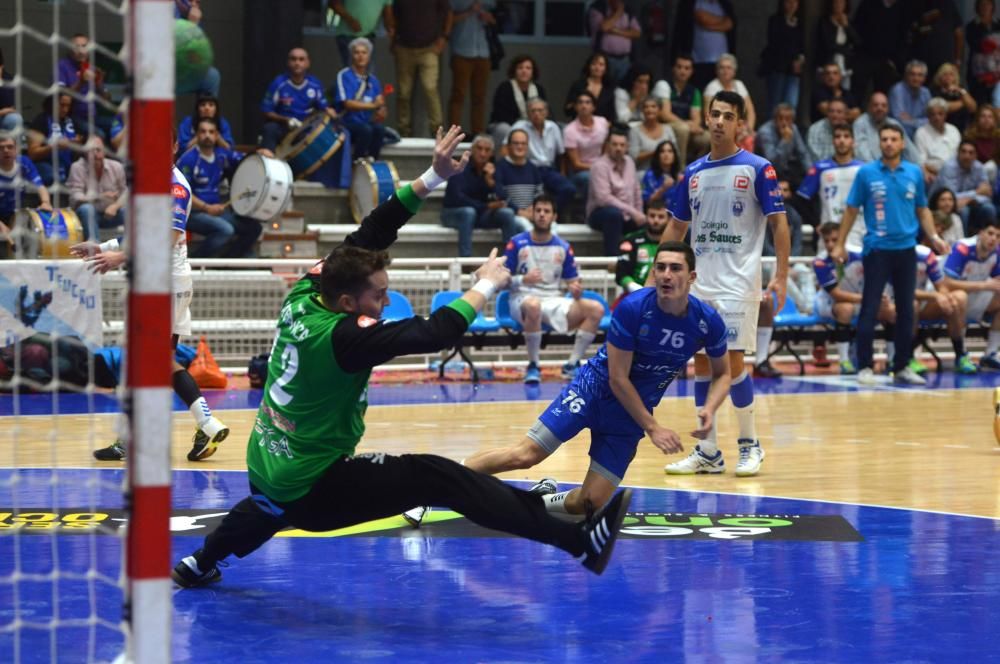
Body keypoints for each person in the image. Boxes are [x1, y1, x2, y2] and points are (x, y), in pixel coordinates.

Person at [171, 126, 633, 587]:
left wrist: (432, 176)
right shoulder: (345, 337)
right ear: (350, 304)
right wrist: (488, 281)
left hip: (267, 463)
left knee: (268, 507)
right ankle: (577, 542)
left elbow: (373, 230)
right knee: (437, 477)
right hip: (315, 485)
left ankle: (199, 563)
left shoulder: (312, 287)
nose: (384, 301)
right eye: (378, 296)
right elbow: (438, 332)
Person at [455, 240, 730, 520]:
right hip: (593, 390)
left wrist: (709, 408)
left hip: (629, 415)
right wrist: (653, 428)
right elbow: (618, 379)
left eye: (675, 268)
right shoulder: (633, 309)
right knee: (526, 455)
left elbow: (723, 373)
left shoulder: (707, 322)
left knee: (589, 504)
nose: (666, 275)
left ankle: (537, 502)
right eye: (660, 267)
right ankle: (437, 480)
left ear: (692, 277)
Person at [73, 135, 229, 461]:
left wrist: (121, 258)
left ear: (172, 147)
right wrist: (103, 248)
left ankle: (134, 438)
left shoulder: (176, 187)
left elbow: (167, 241)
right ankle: (205, 422)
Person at [662, 90, 791, 478]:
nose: (719, 121)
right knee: (700, 363)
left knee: (731, 363)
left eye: (727, 116)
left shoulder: (758, 168)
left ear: (740, 124)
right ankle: (708, 452)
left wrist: (780, 276)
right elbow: (676, 226)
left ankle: (750, 445)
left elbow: (779, 224)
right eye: (714, 114)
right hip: (699, 286)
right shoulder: (694, 173)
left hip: (739, 284)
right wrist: (659, 269)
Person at [832, 124, 949, 386]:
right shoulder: (866, 173)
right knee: (870, 307)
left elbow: (922, 209)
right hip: (877, 250)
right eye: (884, 139)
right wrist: (840, 244)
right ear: (879, 143)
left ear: (902, 144)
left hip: (906, 250)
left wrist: (935, 237)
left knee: (906, 310)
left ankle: (903, 365)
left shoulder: (914, 173)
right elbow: (851, 210)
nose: (888, 143)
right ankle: (864, 366)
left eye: (893, 139)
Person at [503, 194, 605, 383]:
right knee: (534, 305)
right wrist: (522, 279)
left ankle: (572, 364)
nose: (542, 215)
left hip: (553, 299)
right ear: (532, 214)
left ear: (554, 216)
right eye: (538, 211)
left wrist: (576, 290)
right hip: (522, 299)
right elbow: (501, 280)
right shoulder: (516, 242)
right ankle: (533, 365)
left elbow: (573, 281)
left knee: (596, 309)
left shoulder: (563, 247)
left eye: (547, 211)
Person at [813, 222, 894, 374]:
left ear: (843, 239)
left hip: (859, 298)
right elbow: (836, 294)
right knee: (845, 308)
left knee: (889, 311)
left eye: (835, 240)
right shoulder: (820, 261)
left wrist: (879, 296)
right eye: (827, 241)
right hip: (828, 303)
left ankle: (892, 359)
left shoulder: (862, 255)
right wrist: (868, 298)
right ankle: (844, 361)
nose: (830, 245)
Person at [176, 118, 262, 258]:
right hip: (192, 213)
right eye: (203, 132)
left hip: (216, 211)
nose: (207, 135)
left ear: (217, 136)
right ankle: (195, 262)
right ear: (197, 135)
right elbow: (181, 193)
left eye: (211, 132)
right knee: (225, 230)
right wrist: (206, 207)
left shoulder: (222, 155)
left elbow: (245, 159)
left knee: (253, 228)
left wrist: (260, 153)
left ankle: (229, 261)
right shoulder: (188, 159)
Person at [441, 134, 529, 257]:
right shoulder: (460, 166)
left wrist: (491, 183)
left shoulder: (492, 169)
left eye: (487, 150)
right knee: (468, 212)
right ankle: (465, 261)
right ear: (472, 150)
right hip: (453, 214)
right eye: (479, 148)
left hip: (481, 214)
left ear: (491, 154)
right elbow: (457, 198)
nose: (482, 153)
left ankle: (510, 260)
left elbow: (503, 198)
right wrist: (486, 206)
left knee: (507, 214)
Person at [797, 122, 867, 249]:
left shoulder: (863, 169)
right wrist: (815, 223)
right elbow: (802, 199)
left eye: (846, 136)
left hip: (859, 230)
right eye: (838, 136)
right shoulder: (820, 168)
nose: (842, 140)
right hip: (828, 232)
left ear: (853, 141)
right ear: (833, 141)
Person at [942, 220, 1000, 370]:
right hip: (947, 298)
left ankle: (991, 353)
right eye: (990, 233)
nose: (993, 239)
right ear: (980, 233)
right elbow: (947, 283)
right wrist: (983, 285)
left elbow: (996, 279)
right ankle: (962, 354)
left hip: (975, 295)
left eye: (998, 236)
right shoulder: (963, 248)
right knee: (961, 297)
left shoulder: (997, 252)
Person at [390, 0, 451, 138]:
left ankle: (437, 130)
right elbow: (391, 15)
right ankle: (403, 131)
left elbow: (448, 13)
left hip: (429, 48)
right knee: (403, 92)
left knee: (430, 88)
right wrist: (392, 40)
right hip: (404, 47)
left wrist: (444, 37)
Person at [912, 242, 975, 375]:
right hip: (892, 301)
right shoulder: (891, 254)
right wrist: (936, 296)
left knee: (958, 298)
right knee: (912, 304)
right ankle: (907, 357)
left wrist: (946, 297)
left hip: (924, 302)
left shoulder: (925, 254)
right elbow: (903, 291)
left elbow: (941, 285)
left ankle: (960, 355)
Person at [259, 48, 337, 153]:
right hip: (284, 126)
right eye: (293, 59)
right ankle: (268, 163)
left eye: (301, 59)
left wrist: (329, 111)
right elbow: (266, 111)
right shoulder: (278, 83)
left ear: (308, 63)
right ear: (288, 62)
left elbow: (323, 108)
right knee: (270, 128)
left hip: (306, 128)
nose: (297, 63)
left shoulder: (315, 84)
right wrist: (286, 120)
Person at [586, 124, 645, 256]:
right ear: (608, 145)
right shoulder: (599, 166)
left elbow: (636, 190)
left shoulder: (630, 162)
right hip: (600, 213)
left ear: (627, 147)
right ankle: (612, 259)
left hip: (627, 213)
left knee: (650, 219)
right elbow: (604, 199)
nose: (618, 148)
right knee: (613, 215)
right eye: (615, 144)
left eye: (622, 145)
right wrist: (632, 212)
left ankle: (639, 261)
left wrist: (639, 213)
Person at [511, 98, 576, 215]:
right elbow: (506, 149)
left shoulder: (553, 127)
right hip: (528, 169)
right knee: (528, 193)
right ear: (527, 113)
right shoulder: (519, 126)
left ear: (546, 112)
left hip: (549, 169)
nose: (537, 114)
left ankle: (550, 214)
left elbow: (561, 154)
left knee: (568, 189)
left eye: (540, 110)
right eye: (533, 111)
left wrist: (563, 173)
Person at [333, 38, 389, 160]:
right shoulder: (344, 75)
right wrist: (373, 106)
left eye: (364, 53)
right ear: (351, 55)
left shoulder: (373, 80)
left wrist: (381, 111)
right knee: (366, 130)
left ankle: (372, 161)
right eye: (357, 52)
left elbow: (380, 105)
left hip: (366, 123)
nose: (360, 56)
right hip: (347, 123)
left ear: (369, 56)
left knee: (379, 130)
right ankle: (356, 162)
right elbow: (347, 104)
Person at [448, 0, 496, 136]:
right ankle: (454, 133)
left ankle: (478, 132)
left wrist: (488, 18)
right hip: (462, 51)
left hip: (483, 52)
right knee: (458, 94)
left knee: (479, 96)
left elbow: (496, 22)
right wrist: (469, 11)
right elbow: (448, 20)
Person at [930, 140, 996, 235]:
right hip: (940, 204)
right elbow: (950, 197)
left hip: (969, 204)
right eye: (963, 152)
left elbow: (987, 194)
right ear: (957, 153)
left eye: (971, 153)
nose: (967, 156)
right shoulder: (949, 167)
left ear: (976, 156)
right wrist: (977, 192)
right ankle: (964, 243)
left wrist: (968, 199)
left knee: (989, 208)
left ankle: (988, 239)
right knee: (964, 210)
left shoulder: (979, 168)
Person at [67, 135, 126, 240]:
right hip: (86, 216)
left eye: (98, 149)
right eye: (91, 150)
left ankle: (126, 246)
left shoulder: (117, 166)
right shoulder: (77, 167)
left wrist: (115, 206)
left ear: (104, 151)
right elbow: (76, 197)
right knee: (87, 209)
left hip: (112, 214)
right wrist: (100, 196)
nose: (95, 154)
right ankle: (94, 248)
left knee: (128, 210)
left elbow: (126, 193)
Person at [56, 33, 111, 138]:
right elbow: (62, 97)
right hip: (72, 117)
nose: (81, 51)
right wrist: (81, 82)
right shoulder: (62, 66)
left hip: (93, 117)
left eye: (84, 46)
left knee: (121, 126)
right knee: (99, 134)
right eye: (77, 46)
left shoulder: (92, 68)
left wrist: (99, 84)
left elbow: (107, 100)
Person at [673, 0, 735, 92]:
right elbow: (702, 19)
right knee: (700, 91)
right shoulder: (693, 3)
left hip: (721, 62)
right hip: (699, 60)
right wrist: (722, 21)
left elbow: (730, 23)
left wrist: (710, 26)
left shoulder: (724, 4)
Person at [758, 0, 805, 116]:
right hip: (777, 67)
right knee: (775, 104)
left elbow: (802, 45)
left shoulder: (800, 22)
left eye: (795, 2)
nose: (792, 5)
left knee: (791, 103)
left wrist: (800, 59)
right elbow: (775, 43)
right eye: (789, 2)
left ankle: (787, 131)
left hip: (793, 71)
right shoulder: (775, 20)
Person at [488, 55, 546, 149]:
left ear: (533, 72)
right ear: (514, 71)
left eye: (528, 68)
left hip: (531, 124)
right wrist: (523, 125)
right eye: (520, 68)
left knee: (555, 127)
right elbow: (500, 115)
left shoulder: (539, 89)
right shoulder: (505, 87)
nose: (524, 71)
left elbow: (545, 111)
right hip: (504, 124)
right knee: (504, 129)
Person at [662, 53, 708, 167]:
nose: (683, 71)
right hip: (666, 126)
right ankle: (681, 170)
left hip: (687, 127)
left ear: (691, 71)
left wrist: (694, 126)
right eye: (679, 67)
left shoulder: (694, 91)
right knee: (683, 130)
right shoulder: (664, 85)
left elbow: (696, 117)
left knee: (707, 137)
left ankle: (697, 169)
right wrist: (686, 125)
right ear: (673, 68)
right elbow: (665, 114)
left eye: (687, 68)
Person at [615, 199, 669, 296]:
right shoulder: (630, 241)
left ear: (668, 219)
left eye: (661, 217)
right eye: (652, 216)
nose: (656, 220)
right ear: (646, 216)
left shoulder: (675, 243)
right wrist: (638, 290)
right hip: (635, 294)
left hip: (668, 294)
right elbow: (621, 274)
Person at [26, 92, 83, 186]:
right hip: (44, 163)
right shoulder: (41, 120)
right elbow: (33, 154)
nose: (65, 109)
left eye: (68, 106)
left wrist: (77, 146)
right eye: (61, 105)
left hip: (68, 163)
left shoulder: (73, 121)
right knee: (51, 176)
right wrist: (55, 146)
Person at [563, 91, 610, 201]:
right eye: (580, 103)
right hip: (581, 171)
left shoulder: (602, 122)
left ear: (593, 107)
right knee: (590, 178)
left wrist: (604, 165)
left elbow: (606, 147)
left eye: (588, 103)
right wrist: (598, 167)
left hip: (601, 165)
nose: (584, 106)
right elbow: (576, 164)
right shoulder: (570, 130)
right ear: (576, 107)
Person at [703, 54, 756, 149]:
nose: (725, 71)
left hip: (740, 126)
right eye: (722, 68)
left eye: (729, 68)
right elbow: (708, 115)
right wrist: (734, 130)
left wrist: (748, 129)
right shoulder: (711, 87)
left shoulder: (739, 85)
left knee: (750, 137)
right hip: (720, 127)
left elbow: (751, 111)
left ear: (734, 71)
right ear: (717, 71)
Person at [0, 135, 52, 232]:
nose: (6, 150)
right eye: (1, 148)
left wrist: (46, 202)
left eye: (10, 147)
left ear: (16, 149)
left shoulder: (24, 162)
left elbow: (40, 186)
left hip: (17, 214)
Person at [494, 128, 543, 230]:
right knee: (527, 227)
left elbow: (539, 193)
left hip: (531, 213)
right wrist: (519, 211)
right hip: (512, 215)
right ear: (508, 146)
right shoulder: (500, 167)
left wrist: (533, 209)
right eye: (516, 143)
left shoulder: (533, 168)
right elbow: (500, 194)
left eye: (523, 143)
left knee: (552, 227)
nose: (520, 146)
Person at [852, 91, 920, 163]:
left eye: (884, 105)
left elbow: (909, 149)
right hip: (871, 169)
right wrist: (879, 169)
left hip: (894, 167)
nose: (880, 108)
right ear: (869, 107)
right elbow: (862, 153)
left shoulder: (894, 123)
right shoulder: (861, 123)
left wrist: (920, 166)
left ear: (888, 109)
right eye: (876, 105)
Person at [756, 103, 811, 188]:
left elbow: (803, 154)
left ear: (792, 121)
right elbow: (773, 164)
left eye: (788, 119)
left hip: (789, 171)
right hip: (768, 173)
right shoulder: (765, 132)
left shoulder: (793, 128)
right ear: (774, 119)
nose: (784, 122)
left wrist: (811, 173)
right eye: (780, 118)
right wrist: (785, 141)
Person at [587, 0, 641, 85]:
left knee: (623, 86)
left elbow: (637, 33)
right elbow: (604, 27)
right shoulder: (598, 8)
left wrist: (615, 31)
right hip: (605, 58)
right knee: (605, 85)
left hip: (624, 60)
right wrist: (618, 13)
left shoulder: (628, 11)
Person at [330, 0, 394, 70]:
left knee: (369, 71)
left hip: (369, 36)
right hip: (347, 36)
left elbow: (388, 17)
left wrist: (393, 38)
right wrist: (350, 20)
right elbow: (334, 4)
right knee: (351, 71)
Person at [815, 0, 860, 94]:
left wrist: (846, 26)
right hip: (827, 62)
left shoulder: (849, 22)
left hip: (844, 65)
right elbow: (828, 44)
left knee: (843, 92)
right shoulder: (825, 21)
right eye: (836, 3)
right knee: (825, 92)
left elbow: (857, 42)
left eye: (841, 3)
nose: (838, 5)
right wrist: (846, 50)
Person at [915, 97, 962, 184]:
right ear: (928, 116)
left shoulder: (954, 130)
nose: (937, 117)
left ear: (945, 115)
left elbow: (960, 155)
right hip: (934, 175)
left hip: (957, 174)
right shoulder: (921, 132)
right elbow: (921, 161)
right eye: (933, 114)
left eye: (940, 114)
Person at [563, 53, 616, 122]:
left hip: (601, 127)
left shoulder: (609, 88)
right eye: (594, 64)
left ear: (606, 68)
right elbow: (567, 110)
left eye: (601, 65)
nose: (597, 68)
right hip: (578, 125)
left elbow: (611, 116)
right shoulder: (579, 85)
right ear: (588, 66)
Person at [965, 0, 1000, 105]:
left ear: (992, 7)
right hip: (978, 73)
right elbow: (978, 45)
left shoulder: (998, 24)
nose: (985, 7)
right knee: (980, 103)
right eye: (982, 5)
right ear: (977, 8)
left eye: (988, 4)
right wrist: (994, 45)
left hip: (997, 71)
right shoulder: (971, 26)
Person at [629, 98, 677, 171]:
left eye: (653, 106)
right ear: (642, 110)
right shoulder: (635, 131)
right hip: (643, 172)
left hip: (666, 172)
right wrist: (656, 152)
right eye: (646, 107)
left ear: (660, 110)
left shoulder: (668, 129)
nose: (649, 109)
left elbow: (675, 152)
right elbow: (633, 157)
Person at [889, 60, 932, 138]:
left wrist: (912, 120)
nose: (916, 78)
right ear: (906, 76)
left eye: (920, 75)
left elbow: (931, 118)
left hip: (921, 134)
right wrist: (921, 121)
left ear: (924, 78)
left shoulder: (926, 92)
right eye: (912, 74)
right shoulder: (898, 90)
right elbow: (900, 119)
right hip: (900, 133)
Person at [930, 62, 976, 132]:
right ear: (939, 77)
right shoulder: (935, 90)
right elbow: (945, 108)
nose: (948, 77)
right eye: (945, 74)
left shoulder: (961, 90)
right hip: (944, 127)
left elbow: (973, 108)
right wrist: (963, 102)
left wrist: (961, 91)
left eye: (951, 74)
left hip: (962, 126)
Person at [807, 97, 850, 162]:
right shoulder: (815, 129)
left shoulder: (849, 130)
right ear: (827, 113)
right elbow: (814, 157)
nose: (835, 115)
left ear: (845, 114)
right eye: (831, 111)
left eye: (839, 112)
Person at [640, 140, 680, 209]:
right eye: (662, 151)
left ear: (674, 155)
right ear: (657, 156)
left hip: (676, 216)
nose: (666, 154)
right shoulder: (649, 175)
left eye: (670, 151)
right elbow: (647, 202)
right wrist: (663, 188)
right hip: (656, 213)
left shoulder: (680, 176)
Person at [0, 48, 22, 134]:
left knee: (14, 119)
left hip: (2, 118)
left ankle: (10, 146)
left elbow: (10, 107)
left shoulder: (8, 78)